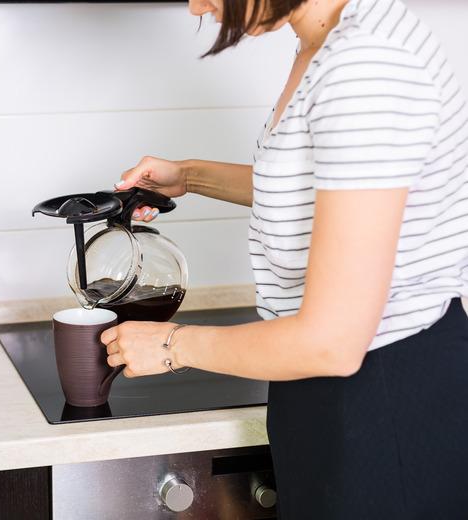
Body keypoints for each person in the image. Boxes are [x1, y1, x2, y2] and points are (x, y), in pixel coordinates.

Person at [99, 0, 468, 517]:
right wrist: (191, 175)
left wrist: (170, 345)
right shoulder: (324, 41)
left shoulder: (367, 64)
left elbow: (333, 344)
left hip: (385, 400)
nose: (196, 6)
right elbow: (330, 192)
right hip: (334, 389)